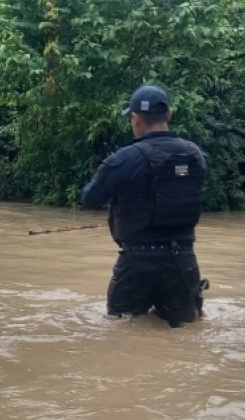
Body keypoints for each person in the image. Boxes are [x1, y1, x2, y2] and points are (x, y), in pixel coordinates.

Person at [81, 85, 209, 328]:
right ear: (169, 114)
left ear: (135, 118)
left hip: (137, 264)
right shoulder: (196, 155)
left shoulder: (123, 159)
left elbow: (89, 199)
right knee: (184, 335)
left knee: (121, 331)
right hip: (183, 261)